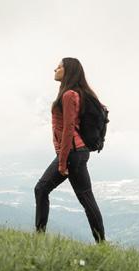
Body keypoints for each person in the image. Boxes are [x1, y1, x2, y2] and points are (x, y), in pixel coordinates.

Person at [34, 57, 106, 243]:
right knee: (86, 198)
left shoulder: (68, 95)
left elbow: (68, 129)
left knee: (42, 189)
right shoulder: (75, 93)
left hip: (72, 153)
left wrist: (62, 161)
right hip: (78, 153)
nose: (55, 69)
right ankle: (102, 243)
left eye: (59, 67)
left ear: (68, 71)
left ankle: (39, 237)